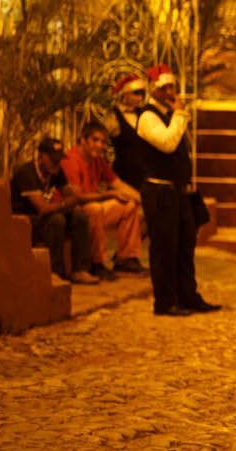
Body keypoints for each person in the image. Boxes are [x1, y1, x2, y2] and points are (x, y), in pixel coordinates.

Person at [137, 63, 219, 316]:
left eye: (171, 86)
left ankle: (188, 295)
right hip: (159, 192)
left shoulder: (170, 114)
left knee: (185, 245)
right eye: (164, 87)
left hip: (179, 191)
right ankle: (165, 301)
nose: (169, 91)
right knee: (165, 247)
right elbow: (167, 143)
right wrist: (180, 116)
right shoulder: (147, 117)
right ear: (154, 89)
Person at [9, 137, 99, 285]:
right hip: (24, 219)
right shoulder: (27, 173)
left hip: (44, 216)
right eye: (53, 159)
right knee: (57, 220)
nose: (57, 163)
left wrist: (72, 196)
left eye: (59, 159)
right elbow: (43, 208)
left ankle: (80, 269)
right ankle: (54, 271)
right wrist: (67, 202)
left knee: (79, 217)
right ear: (41, 157)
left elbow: (70, 194)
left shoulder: (55, 171)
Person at [63, 119, 144, 279]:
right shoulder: (71, 159)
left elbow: (118, 184)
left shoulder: (98, 160)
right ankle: (97, 263)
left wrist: (146, 201)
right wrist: (108, 194)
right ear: (83, 140)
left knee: (129, 205)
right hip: (74, 211)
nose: (99, 145)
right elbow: (77, 197)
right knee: (95, 209)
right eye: (95, 140)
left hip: (94, 207)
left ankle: (126, 259)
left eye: (103, 142)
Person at [107, 72, 149, 190]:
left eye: (142, 94)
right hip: (123, 174)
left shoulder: (144, 114)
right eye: (136, 93)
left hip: (144, 175)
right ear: (124, 94)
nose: (140, 98)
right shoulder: (113, 116)